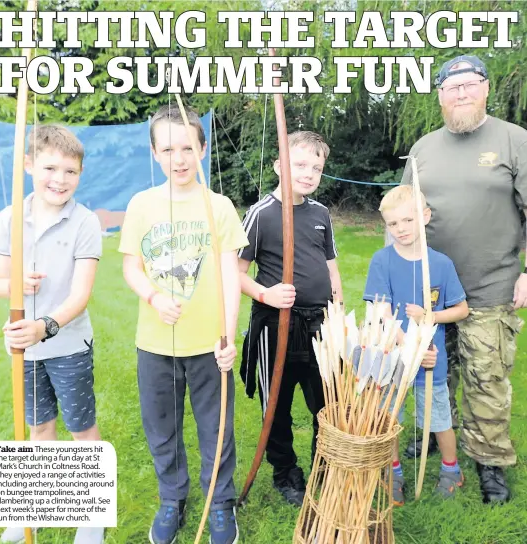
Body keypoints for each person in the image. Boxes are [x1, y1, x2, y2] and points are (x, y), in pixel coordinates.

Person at [401, 55, 527, 503]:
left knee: (486, 380)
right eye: (452, 87)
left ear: (485, 89)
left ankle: (490, 463)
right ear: (440, 95)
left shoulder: (516, 140)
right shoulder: (423, 149)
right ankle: (434, 440)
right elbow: (403, 212)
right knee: (432, 375)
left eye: (470, 84)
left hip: (490, 287)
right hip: (431, 292)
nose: (461, 93)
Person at [119, 104, 248, 544]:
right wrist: (154, 296)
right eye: (169, 148)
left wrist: (228, 335)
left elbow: (233, 275)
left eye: (188, 147)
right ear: (155, 153)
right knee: (162, 428)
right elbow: (131, 268)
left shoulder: (220, 206)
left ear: (202, 149)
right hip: (155, 344)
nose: (179, 158)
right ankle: (172, 498)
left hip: (210, 345)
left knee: (216, 428)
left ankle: (220, 502)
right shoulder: (141, 205)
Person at [0, 125, 104, 544]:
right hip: (23, 345)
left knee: (81, 430)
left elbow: (81, 295)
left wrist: (45, 327)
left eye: (70, 171)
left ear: (80, 174)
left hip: (68, 346)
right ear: (27, 165)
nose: (60, 179)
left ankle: (90, 514)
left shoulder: (85, 222)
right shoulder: (8, 219)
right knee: (39, 430)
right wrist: (16, 285)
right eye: (50, 167)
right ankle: (33, 511)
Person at [238, 131, 343, 507]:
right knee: (276, 407)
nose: (309, 173)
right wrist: (265, 294)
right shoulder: (261, 213)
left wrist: (338, 310)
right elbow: (234, 272)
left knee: (328, 403)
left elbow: (331, 267)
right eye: (299, 164)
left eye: (316, 167)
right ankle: (286, 472)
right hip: (275, 327)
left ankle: (325, 466)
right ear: (279, 165)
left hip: (319, 325)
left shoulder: (320, 214)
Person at [364, 185, 469, 504]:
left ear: (424, 217)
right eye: (393, 224)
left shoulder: (440, 264)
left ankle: (451, 470)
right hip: (394, 357)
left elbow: (462, 309)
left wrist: (430, 317)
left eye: (407, 220)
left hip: (429, 359)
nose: (401, 229)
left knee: (438, 418)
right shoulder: (382, 261)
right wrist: (409, 345)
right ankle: (393, 471)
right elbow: (381, 311)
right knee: (389, 418)